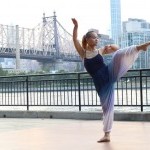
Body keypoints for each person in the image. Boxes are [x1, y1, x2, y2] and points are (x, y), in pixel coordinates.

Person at [71, 18, 150, 143]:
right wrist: (76, 26)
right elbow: (75, 40)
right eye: (94, 38)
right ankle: (107, 134)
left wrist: (112, 46)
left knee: (118, 54)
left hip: (108, 73)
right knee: (107, 108)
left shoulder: (100, 50)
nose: (97, 40)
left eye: (98, 38)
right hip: (100, 83)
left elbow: (117, 49)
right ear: (87, 39)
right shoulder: (83, 53)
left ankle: (140, 47)